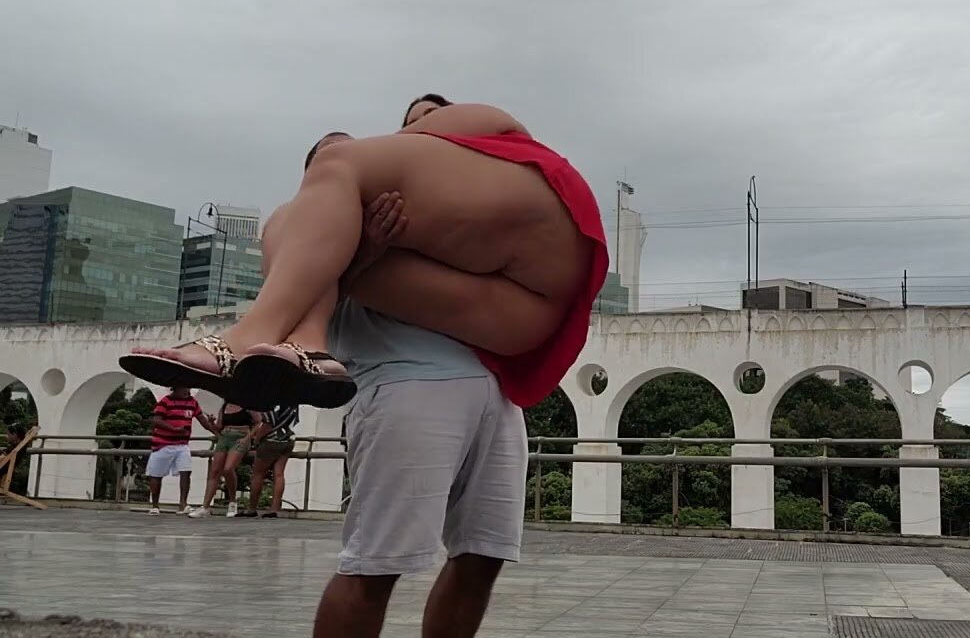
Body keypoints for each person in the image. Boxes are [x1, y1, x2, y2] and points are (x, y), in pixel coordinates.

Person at [119, 97, 609, 415]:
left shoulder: (455, 140)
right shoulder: (348, 231)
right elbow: (327, 259)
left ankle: (245, 336)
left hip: (549, 231)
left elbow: (351, 165)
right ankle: (309, 347)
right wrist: (367, 251)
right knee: (298, 234)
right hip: (522, 323)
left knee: (318, 188)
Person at [146, 387, 216, 515]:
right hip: (162, 444)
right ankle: (155, 505)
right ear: (177, 388)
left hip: (182, 444)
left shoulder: (192, 402)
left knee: (186, 471)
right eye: (184, 388)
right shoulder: (166, 401)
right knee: (156, 474)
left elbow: (202, 420)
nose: (187, 391)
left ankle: (183, 504)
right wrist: (174, 429)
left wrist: (214, 430)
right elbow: (156, 420)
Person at [189, 402, 258, 518]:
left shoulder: (248, 405)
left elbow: (258, 422)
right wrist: (211, 422)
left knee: (228, 468)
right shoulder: (224, 406)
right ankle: (205, 506)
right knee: (215, 471)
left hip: (240, 436)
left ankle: (232, 502)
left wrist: (248, 438)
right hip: (224, 436)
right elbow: (218, 427)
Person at [240, 403, 299, 518]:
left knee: (258, 474)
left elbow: (267, 424)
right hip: (287, 440)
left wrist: (257, 440)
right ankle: (275, 508)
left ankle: (252, 508)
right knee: (279, 474)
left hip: (271, 440)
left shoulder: (273, 403)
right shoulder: (293, 403)